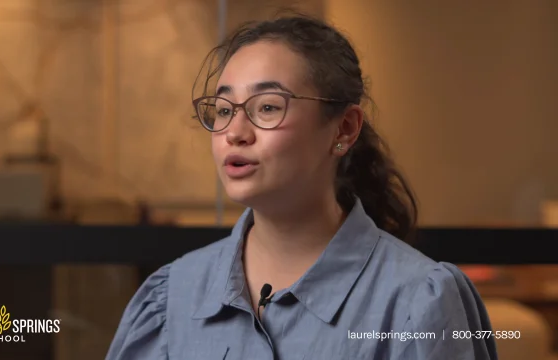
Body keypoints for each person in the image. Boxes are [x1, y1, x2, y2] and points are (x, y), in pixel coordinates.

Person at [105, 13, 498, 360]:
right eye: (224, 110)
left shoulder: (416, 301)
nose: (235, 133)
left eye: (268, 107)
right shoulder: (172, 297)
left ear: (344, 129)